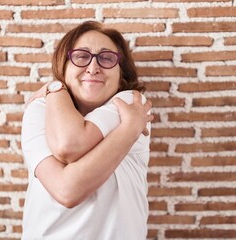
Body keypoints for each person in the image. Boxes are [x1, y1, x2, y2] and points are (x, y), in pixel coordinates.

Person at [21, 21, 153, 240]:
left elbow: (69, 149)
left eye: (107, 58)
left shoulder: (131, 103)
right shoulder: (39, 109)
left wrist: (55, 89)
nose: (93, 67)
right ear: (64, 68)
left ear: (121, 76)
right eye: (81, 57)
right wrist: (129, 129)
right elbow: (66, 187)